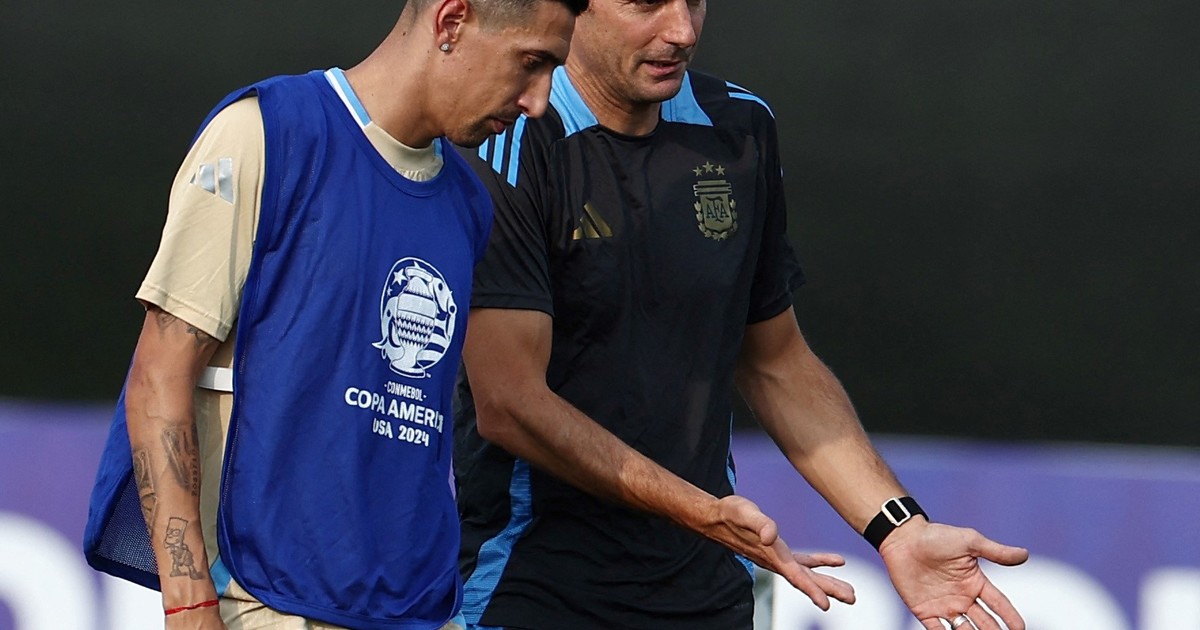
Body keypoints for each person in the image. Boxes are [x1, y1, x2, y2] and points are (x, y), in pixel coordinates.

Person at [451, 1, 1029, 629]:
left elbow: (776, 363)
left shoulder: (740, 124)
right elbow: (510, 404)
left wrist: (900, 529)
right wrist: (702, 512)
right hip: (535, 592)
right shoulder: (506, 133)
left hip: (710, 590)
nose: (681, 31)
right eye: (646, 3)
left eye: (695, 0)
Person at [82, 0, 586, 628]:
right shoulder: (265, 132)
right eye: (531, 63)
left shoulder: (468, 201)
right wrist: (189, 605)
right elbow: (159, 376)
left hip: (424, 610)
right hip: (268, 603)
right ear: (451, 21)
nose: (538, 101)